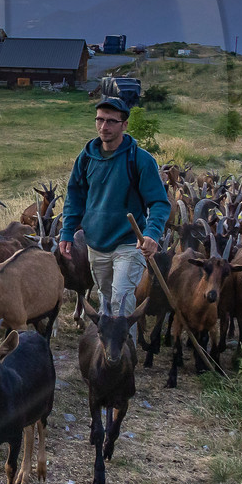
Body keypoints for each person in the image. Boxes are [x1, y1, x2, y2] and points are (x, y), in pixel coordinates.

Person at [56, 97, 171, 331]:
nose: (103, 126)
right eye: (99, 119)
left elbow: (159, 202)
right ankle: (106, 355)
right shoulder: (87, 157)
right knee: (106, 302)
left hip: (129, 243)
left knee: (121, 303)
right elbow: (74, 196)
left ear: (124, 125)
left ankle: (123, 362)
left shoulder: (140, 160)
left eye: (111, 121)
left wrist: (151, 234)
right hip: (96, 243)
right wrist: (67, 232)